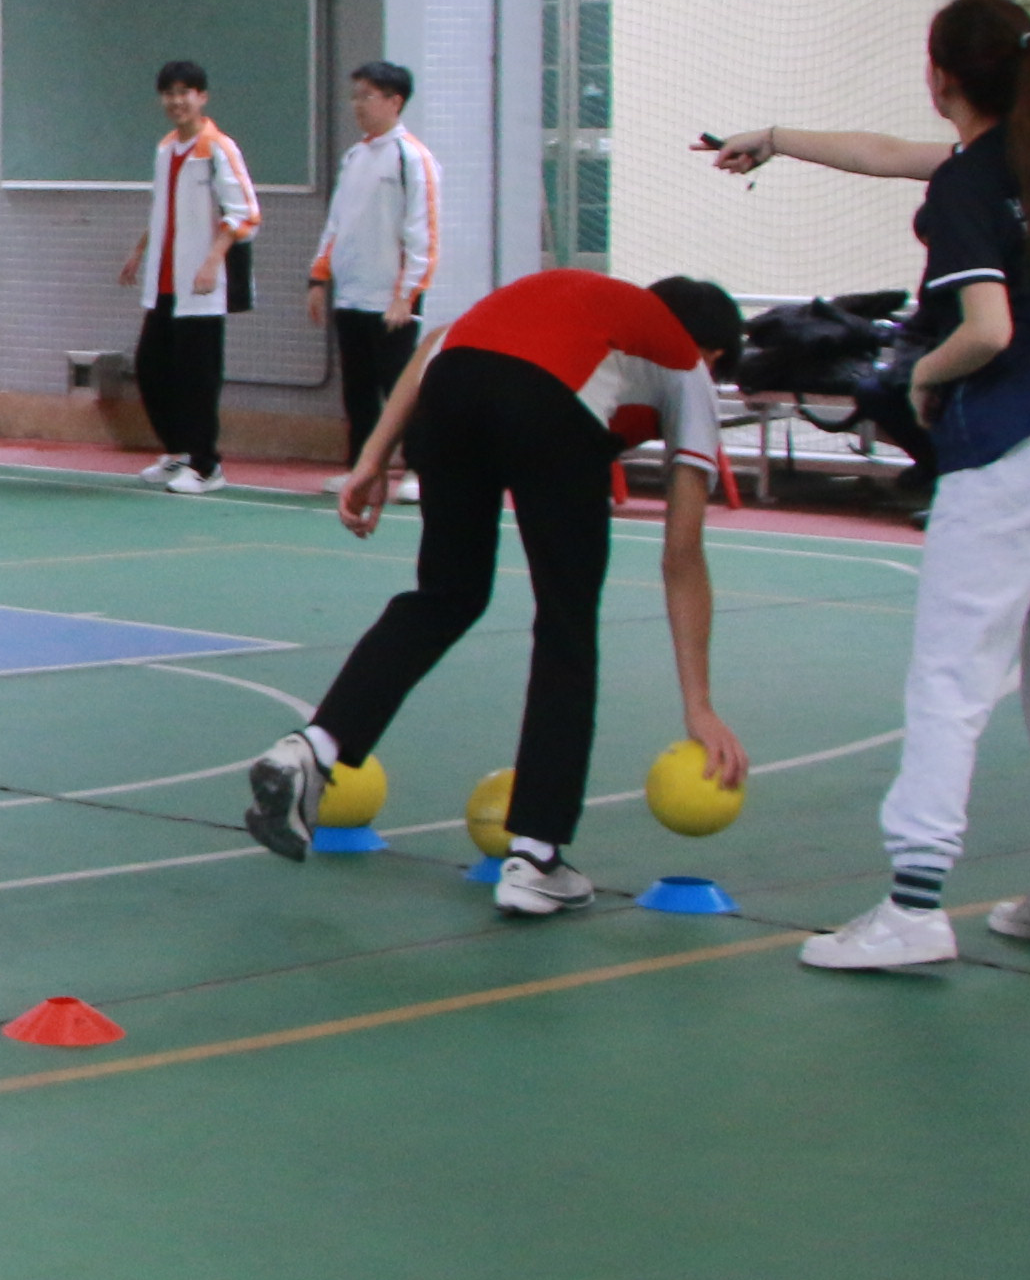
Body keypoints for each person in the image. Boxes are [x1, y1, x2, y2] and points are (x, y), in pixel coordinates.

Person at [711, 0, 1030, 971]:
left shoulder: (968, 188)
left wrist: (919, 378)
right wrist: (775, 138)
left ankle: (914, 905)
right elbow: (882, 153)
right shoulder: (1029, 159)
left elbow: (986, 330)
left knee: (951, 675)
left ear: (941, 76)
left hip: (1016, 441)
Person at [247, 264, 750, 918]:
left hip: (450, 390)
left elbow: (435, 346)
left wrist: (372, 457)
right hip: (548, 405)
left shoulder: (582, 304)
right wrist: (700, 707)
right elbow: (682, 555)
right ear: (712, 354)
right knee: (566, 625)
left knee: (446, 593)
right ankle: (535, 858)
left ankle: (312, 749)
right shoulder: (688, 368)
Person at [115, 59, 258, 494]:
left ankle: (206, 465)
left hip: (200, 286)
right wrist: (140, 250)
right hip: (164, 283)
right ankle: (178, 450)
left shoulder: (218, 148)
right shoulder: (165, 149)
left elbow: (245, 214)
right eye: (169, 93)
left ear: (202, 97)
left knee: (198, 376)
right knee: (151, 367)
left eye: (185, 92)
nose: (176, 101)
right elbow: (163, 209)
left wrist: (213, 260)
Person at [307, 60, 446, 470]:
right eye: (355, 96)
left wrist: (407, 296)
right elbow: (336, 224)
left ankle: (420, 469)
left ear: (394, 101)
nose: (358, 105)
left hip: (391, 301)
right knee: (358, 391)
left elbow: (424, 234)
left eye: (366, 96)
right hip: (351, 296)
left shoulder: (412, 158)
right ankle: (362, 470)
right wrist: (318, 278)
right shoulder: (355, 157)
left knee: (400, 388)